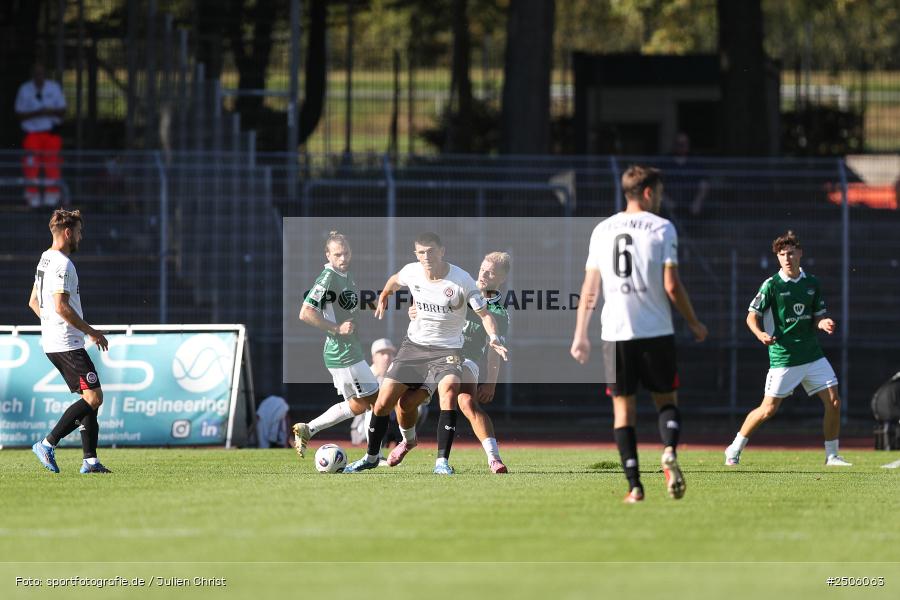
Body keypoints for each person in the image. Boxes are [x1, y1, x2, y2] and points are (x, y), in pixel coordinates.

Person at [571, 164, 708, 503]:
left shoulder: (602, 230)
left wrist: (580, 333)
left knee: (623, 412)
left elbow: (590, 286)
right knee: (666, 401)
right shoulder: (663, 228)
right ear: (648, 192)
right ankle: (669, 449)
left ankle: (634, 487)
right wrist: (693, 322)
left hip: (615, 332)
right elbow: (672, 286)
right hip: (656, 331)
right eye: (659, 192)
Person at [344, 232, 508, 475]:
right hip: (416, 348)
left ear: (442, 251)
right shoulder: (414, 271)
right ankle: (388, 449)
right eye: (421, 252)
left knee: (459, 397)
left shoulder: (466, 284)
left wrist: (493, 345)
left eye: (490, 272)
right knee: (393, 403)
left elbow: (486, 317)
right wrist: (386, 296)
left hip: (455, 354)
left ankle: (459, 460)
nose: (483, 274)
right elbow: (397, 281)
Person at [725, 231, 852, 467]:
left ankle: (832, 455)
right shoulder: (771, 285)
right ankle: (734, 447)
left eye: (791, 253)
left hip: (812, 354)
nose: (786, 258)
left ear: (800, 253)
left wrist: (822, 323)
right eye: (782, 254)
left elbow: (817, 316)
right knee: (768, 410)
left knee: (834, 401)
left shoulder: (812, 283)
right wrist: (760, 333)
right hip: (784, 357)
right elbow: (751, 317)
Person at [390, 251, 512, 474]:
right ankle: (408, 441)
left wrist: (491, 383)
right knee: (404, 404)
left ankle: (493, 459)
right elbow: (427, 295)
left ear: (501, 279)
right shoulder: (461, 287)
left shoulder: (498, 312)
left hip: (467, 359)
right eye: (483, 267)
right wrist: (415, 310)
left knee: (466, 401)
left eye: (491, 272)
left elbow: (494, 351)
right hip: (435, 353)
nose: (484, 273)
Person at [29, 209, 110, 474]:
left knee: (89, 397)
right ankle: (47, 443)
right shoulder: (63, 264)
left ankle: (90, 461)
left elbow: (33, 302)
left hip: (56, 341)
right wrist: (92, 332)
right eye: (78, 232)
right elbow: (61, 307)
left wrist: (50, 324)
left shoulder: (45, 259)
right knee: (95, 397)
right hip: (67, 344)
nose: (80, 237)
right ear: (67, 232)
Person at [291, 232, 379, 458]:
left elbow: (347, 301)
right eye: (337, 254)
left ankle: (308, 429)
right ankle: (374, 456)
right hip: (343, 352)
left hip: (349, 349)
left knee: (359, 405)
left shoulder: (344, 275)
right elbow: (305, 313)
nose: (343, 258)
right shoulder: (327, 277)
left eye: (346, 253)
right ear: (328, 255)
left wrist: (374, 303)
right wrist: (336, 328)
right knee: (378, 401)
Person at [16, 63, 66, 209]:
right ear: (32, 75)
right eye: (36, 73)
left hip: (51, 134)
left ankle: (52, 197)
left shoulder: (54, 88)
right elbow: (19, 114)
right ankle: (32, 198)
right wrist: (39, 112)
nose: (39, 76)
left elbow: (62, 110)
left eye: (41, 73)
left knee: (52, 163)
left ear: (45, 74)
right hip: (32, 135)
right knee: (31, 164)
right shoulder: (25, 89)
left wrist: (48, 112)